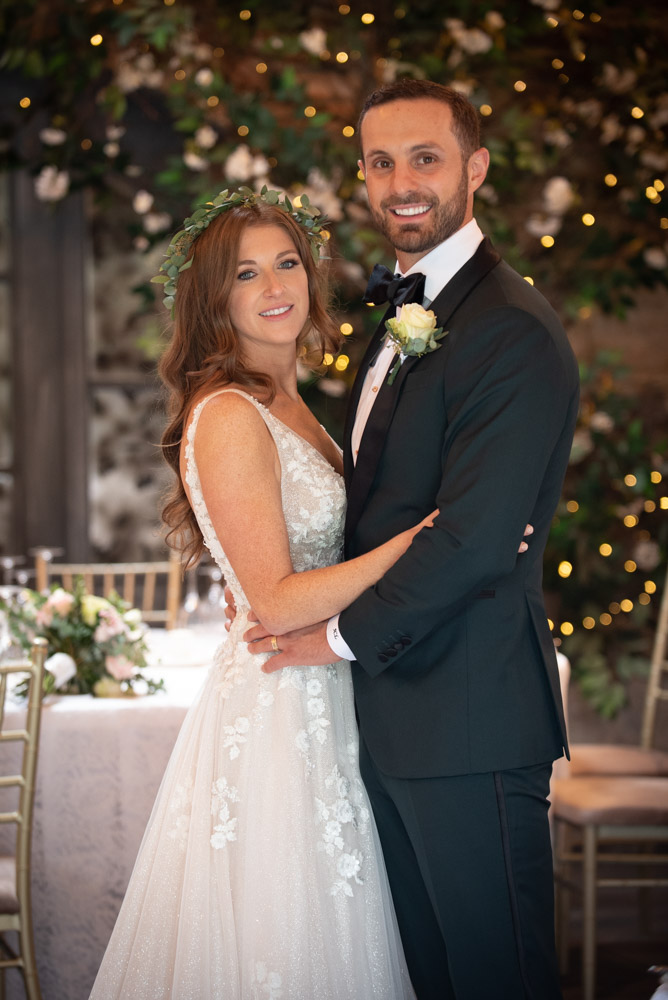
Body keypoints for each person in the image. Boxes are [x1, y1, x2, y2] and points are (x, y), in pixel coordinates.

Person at [243, 80, 580, 999]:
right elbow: (383, 510)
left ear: (473, 168)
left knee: (497, 979)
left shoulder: (509, 330)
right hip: (395, 720)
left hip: (469, 720)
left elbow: (474, 540)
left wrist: (334, 638)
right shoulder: (400, 313)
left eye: (424, 158)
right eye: (380, 162)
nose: (401, 182)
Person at [89, 189, 428, 998]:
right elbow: (273, 599)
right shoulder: (232, 414)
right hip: (281, 712)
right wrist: (414, 548)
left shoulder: (298, 407)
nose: (275, 286)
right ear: (216, 300)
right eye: (246, 274)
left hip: (328, 688)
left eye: (286, 263)